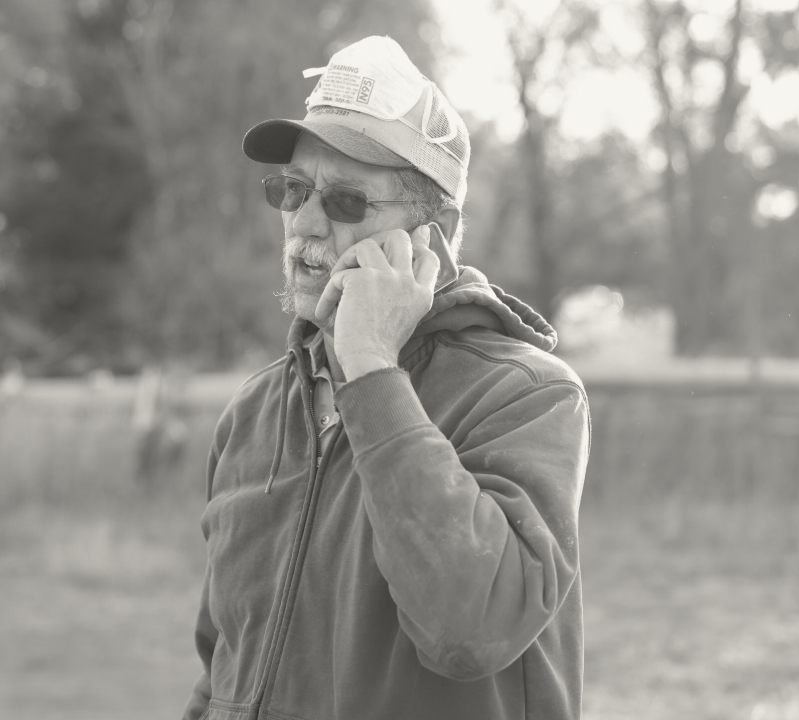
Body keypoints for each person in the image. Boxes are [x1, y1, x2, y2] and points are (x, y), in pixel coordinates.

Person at [184, 36, 590, 720]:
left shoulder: (527, 394)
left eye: (346, 203)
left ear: (433, 235)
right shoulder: (255, 411)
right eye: (292, 190)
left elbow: (472, 629)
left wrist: (371, 370)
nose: (304, 223)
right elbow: (224, 665)